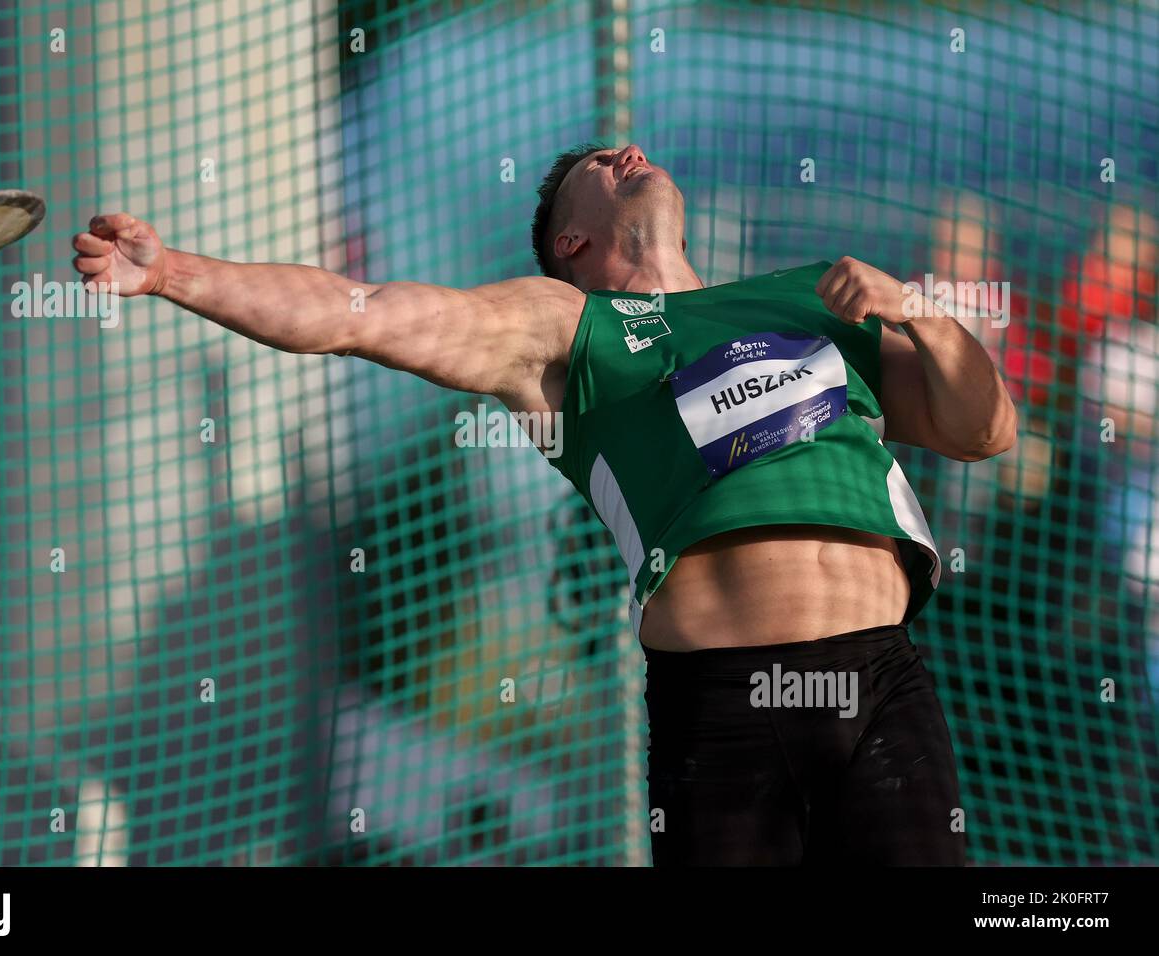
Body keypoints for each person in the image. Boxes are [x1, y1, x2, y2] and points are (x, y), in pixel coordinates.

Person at [72, 142, 1017, 865]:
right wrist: (171, 274)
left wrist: (924, 317)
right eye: (597, 169)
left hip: (882, 680)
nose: (624, 152)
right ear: (574, 242)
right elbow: (358, 314)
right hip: (729, 705)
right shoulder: (566, 329)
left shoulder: (810, 298)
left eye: (626, 151)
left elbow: (987, 429)